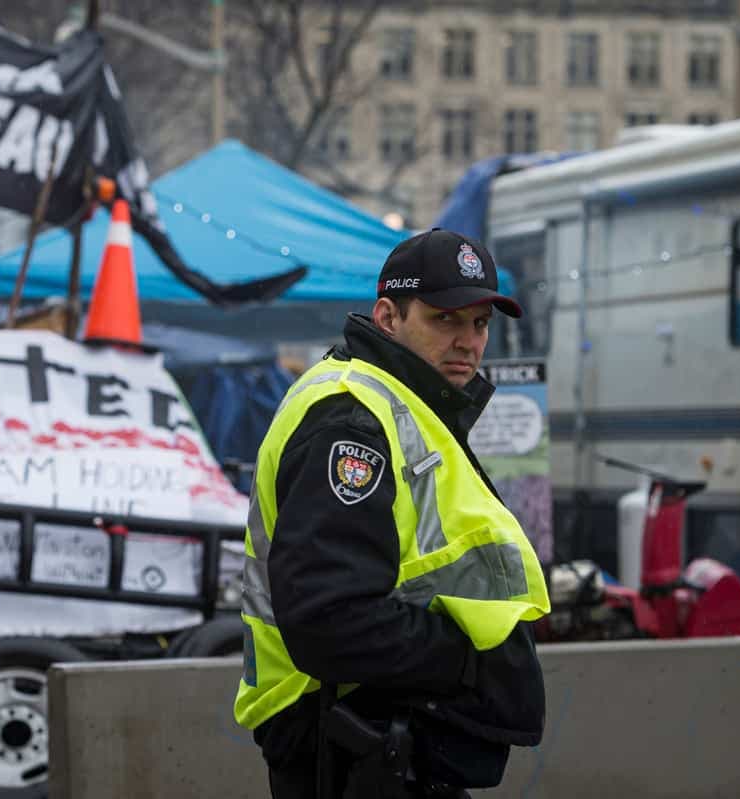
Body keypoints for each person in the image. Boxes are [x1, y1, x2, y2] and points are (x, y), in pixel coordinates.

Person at [234, 229, 550, 798]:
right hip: (344, 739)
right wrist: (470, 660)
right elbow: (330, 620)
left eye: (479, 323)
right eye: (445, 320)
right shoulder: (353, 418)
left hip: (378, 736)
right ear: (387, 317)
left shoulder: (400, 405)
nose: (468, 342)